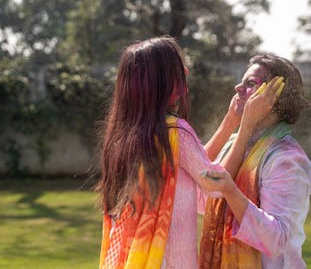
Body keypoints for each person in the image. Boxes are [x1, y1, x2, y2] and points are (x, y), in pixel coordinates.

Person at [96, 37, 281, 269]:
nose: (185, 70)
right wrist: (246, 125)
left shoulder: (131, 135)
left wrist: (229, 122)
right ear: (159, 82)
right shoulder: (175, 130)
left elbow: (192, 164)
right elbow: (214, 183)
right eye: (177, 68)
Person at [199, 54, 311, 269]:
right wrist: (232, 123)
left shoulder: (287, 159)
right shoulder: (237, 142)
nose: (238, 88)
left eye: (250, 83)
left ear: (274, 97)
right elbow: (202, 195)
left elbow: (276, 240)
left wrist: (230, 190)